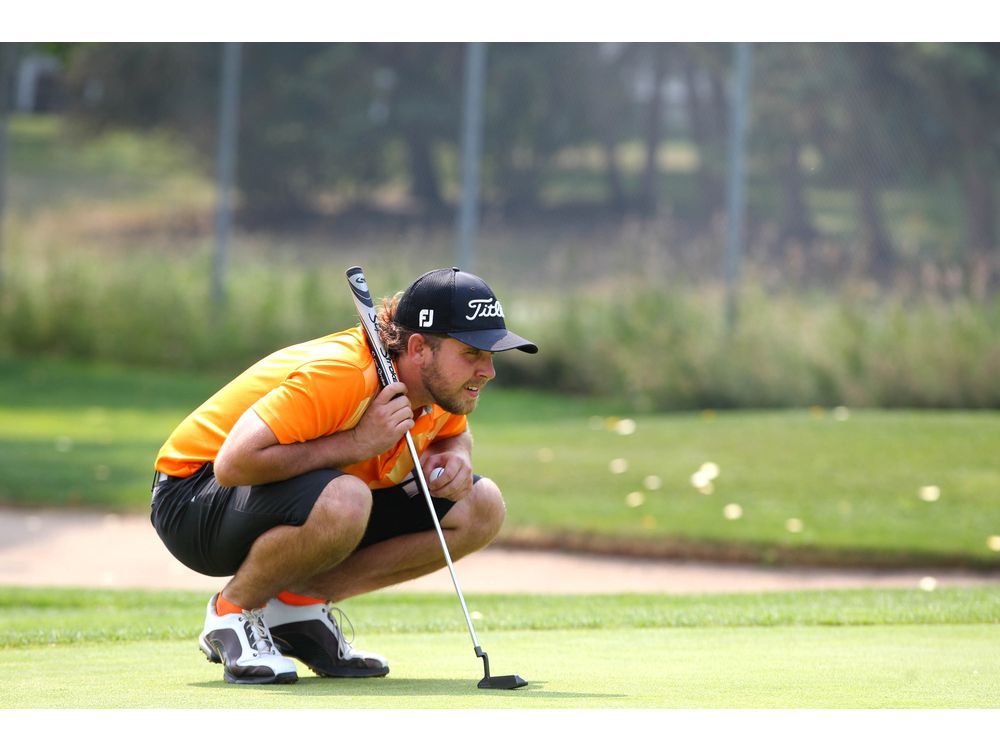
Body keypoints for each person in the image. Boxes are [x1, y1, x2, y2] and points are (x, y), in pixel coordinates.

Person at [150, 267, 537, 684]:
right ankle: (231, 613)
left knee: (482, 506)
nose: (488, 371)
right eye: (472, 354)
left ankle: (296, 609)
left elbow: (454, 436)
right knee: (346, 499)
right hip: (191, 498)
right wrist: (356, 443)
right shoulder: (344, 373)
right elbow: (232, 464)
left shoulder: (440, 388)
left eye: (490, 356)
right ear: (420, 347)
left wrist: (455, 454)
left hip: (279, 496)